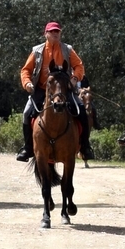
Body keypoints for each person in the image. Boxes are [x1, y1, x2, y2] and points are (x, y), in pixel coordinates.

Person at [16, 21, 95, 162]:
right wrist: (27, 83)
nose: (55, 34)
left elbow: (79, 66)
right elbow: (25, 70)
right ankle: (27, 148)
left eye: (57, 31)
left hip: (65, 90)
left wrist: (75, 78)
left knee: (82, 110)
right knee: (26, 113)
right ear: (45, 34)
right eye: (52, 31)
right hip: (41, 90)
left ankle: (85, 147)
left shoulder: (68, 49)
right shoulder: (37, 51)